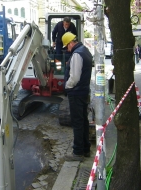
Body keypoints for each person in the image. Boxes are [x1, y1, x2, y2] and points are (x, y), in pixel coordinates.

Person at [61, 32, 93, 161]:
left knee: (77, 122)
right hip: (84, 91)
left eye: (66, 46)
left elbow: (74, 77)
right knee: (83, 121)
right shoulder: (85, 51)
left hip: (76, 93)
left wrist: (67, 87)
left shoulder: (76, 54)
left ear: (70, 43)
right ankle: (86, 149)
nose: (67, 49)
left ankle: (78, 152)